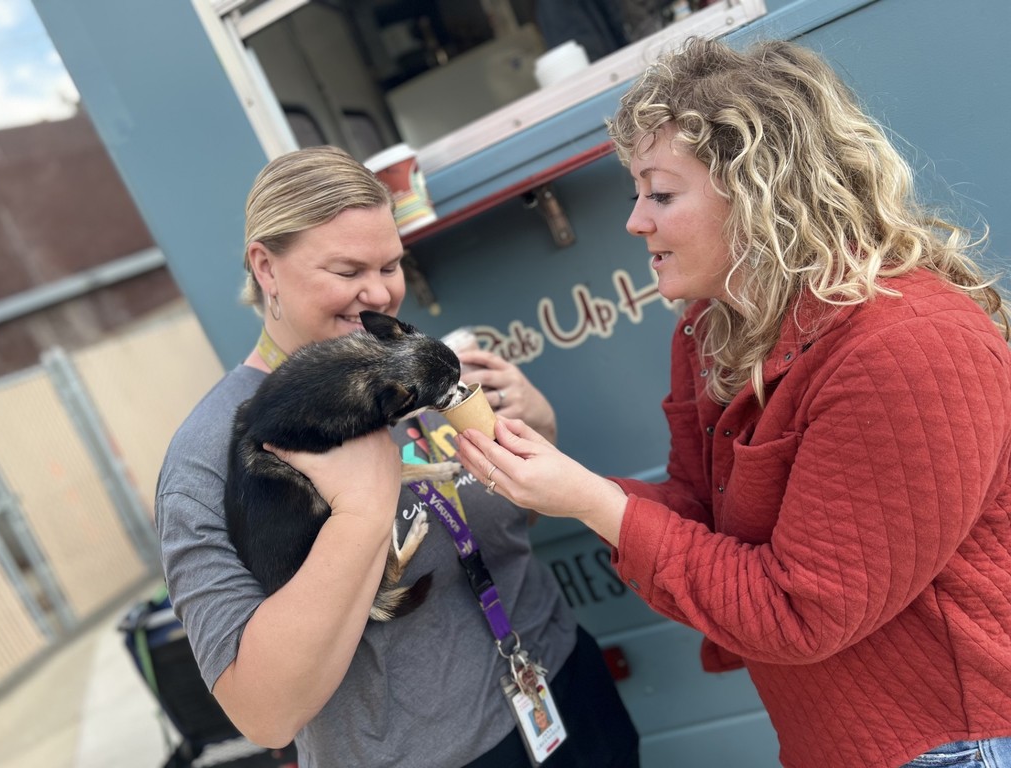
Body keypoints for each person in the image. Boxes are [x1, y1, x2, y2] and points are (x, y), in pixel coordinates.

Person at [455, 36, 1011, 768]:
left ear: (760, 191)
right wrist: (553, 474)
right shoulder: (712, 328)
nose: (634, 222)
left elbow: (799, 611)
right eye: (635, 194)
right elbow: (696, 513)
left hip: (953, 745)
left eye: (660, 194)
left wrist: (589, 501)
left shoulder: (907, 346)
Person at [154, 145, 639, 768]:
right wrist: (359, 513)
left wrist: (538, 431)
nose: (380, 293)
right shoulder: (207, 457)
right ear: (266, 268)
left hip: (562, 688)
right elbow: (263, 711)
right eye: (348, 269)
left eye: (391, 264)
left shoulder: (414, 365)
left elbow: (505, 529)